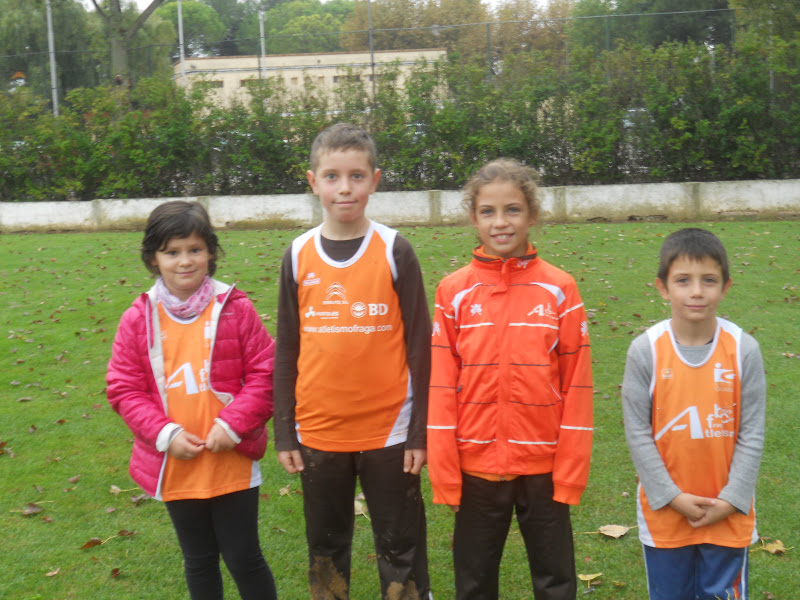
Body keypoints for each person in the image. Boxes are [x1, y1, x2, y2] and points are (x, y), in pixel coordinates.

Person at [273, 123, 432, 600]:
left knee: (401, 545)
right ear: (313, 181)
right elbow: (287, 347)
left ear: (374, 180)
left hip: (391, 430)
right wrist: (285, 430)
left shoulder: (395, 249)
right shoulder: (298, 254)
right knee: (326, 546)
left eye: (356, 176)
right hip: (319, 430)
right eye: (332, 176)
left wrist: (419, 431)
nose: (345, 188)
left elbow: (420, 345)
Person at [427, 158, 594, 600]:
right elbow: (440, 385)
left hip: (544, 466)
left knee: (555, 581)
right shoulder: (452, 291)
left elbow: (578, 385)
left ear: (532, 214)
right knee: (474, 582)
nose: (500, 222)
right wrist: (445, 471)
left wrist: (570, 470)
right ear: (473, 218)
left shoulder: (560, 288)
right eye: (488, 211)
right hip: (477, 465)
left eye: (513, 210)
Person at [106, 201, 278, 600]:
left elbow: (267, 374)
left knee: (243, 557)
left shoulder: (235, 308)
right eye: (172, 252)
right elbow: (124, 388)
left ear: (211, 253)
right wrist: (165, 435)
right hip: (176, 463)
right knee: (199, 560)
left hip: (231, 459)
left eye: (195, 249)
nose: (185, 261)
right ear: (154, 258)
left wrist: (233, 425)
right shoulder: (138, 318)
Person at [622, 228, 766, 600]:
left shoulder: (743, 350)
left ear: (726, 287)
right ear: (663, 287)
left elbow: (752, 432)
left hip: (728, 513)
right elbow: (637, 433)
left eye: (709, 280)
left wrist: (732, 499)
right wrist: (671, 496)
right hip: (666, 515)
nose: (697, 291)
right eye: (683, 280)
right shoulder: (645, 351)